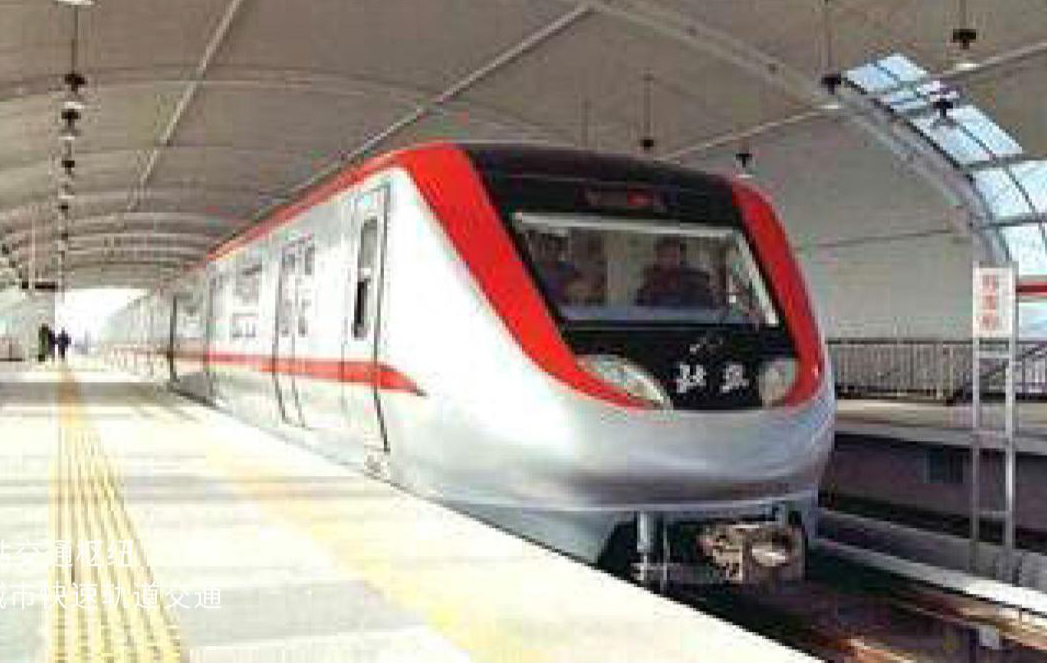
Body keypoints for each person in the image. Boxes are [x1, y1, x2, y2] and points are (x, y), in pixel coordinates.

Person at [635, 237, 716, 308]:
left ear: (682, 257)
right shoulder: (649, 285)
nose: (670, 260)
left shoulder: (697, 281)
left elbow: (708, 310)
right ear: (658, 258)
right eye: (665, 255)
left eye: (675, 255)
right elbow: (639, 311)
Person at [530, 232, 580, 303]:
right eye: (549, 249)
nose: (553, 253)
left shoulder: (569, 269)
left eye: (557, 249)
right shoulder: (534, 268)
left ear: (560, 251)